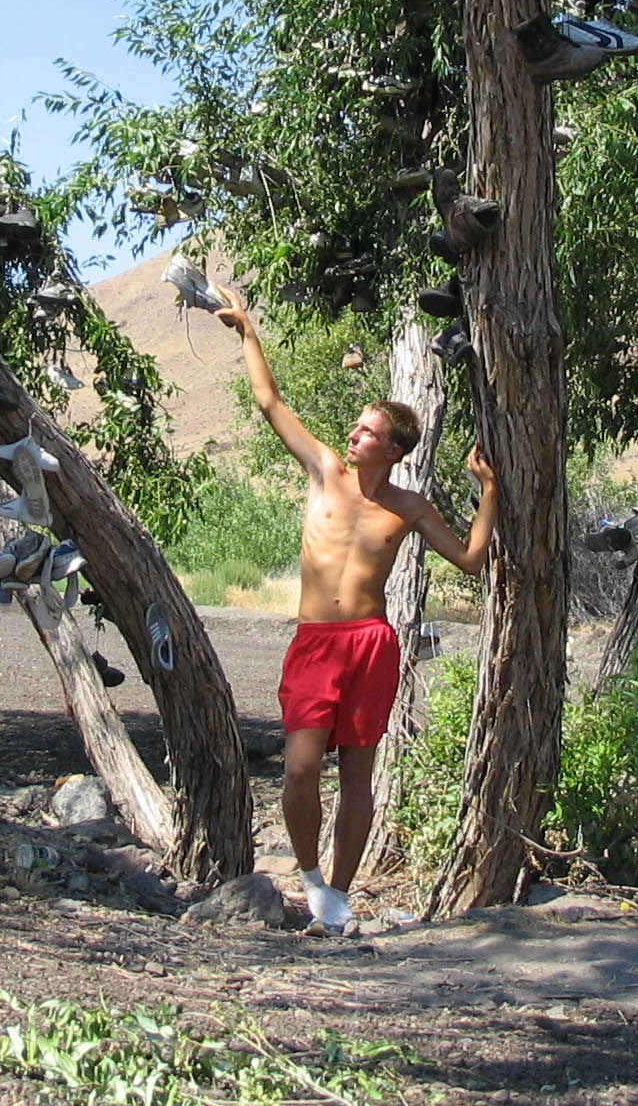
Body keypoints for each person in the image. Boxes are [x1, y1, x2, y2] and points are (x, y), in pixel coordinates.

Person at [215, 285, 497, 933]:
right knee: (300, 768)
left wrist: (488, 492)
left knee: (357, 777)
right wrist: (248, 332)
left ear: (393, 449)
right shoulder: (324, 470)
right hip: (315, 641)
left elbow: (470, 559)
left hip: (372, 643)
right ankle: (311, 877)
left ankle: (338, 899)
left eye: (367, 431)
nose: (353, 434)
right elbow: (269, 402)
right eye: (356, 426)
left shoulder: (408, 506)